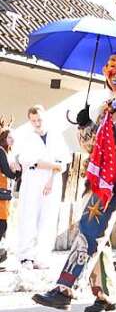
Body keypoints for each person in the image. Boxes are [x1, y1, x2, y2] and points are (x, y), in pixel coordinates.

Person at [33, 50, 116, 312]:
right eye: (110, 65)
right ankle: (104, 294)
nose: (115, 70)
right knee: (99, 234)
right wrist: (84, 125)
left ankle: (65, 288)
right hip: (98, 176)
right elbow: (91, 145)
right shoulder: (105, 105)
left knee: (90, 227)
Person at [13, 105, 69, 270]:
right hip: (32, 182)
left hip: (52, 184)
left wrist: (51, 175)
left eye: (39, 119)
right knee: (29, 216)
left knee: (48, 219)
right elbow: (29, 161)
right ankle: (26, 256)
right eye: (33, 121)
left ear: (44, 118)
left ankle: (42, 257)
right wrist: (52, 165)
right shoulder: (27, 138)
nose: (37, 123)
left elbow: (63, 162)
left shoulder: (56, 136)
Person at [0, 123, 20, 267]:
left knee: (3, 223)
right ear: (4, 138)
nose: (12, 140)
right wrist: (19, 172)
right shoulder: (1, 151)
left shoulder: (6, 152)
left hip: (4, 192)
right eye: (10, 137)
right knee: (2, 224)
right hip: (1, 192)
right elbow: (7, 172)